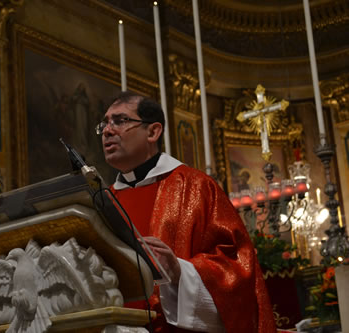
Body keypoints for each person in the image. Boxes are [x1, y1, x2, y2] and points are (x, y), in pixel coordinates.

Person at [97, 91, 276, 332]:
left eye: (120, 121)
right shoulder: (104, 200)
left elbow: (237, 266)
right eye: (104, 123)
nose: (107, 130)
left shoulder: (196, 186)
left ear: (153, 132)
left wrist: (181, 271)